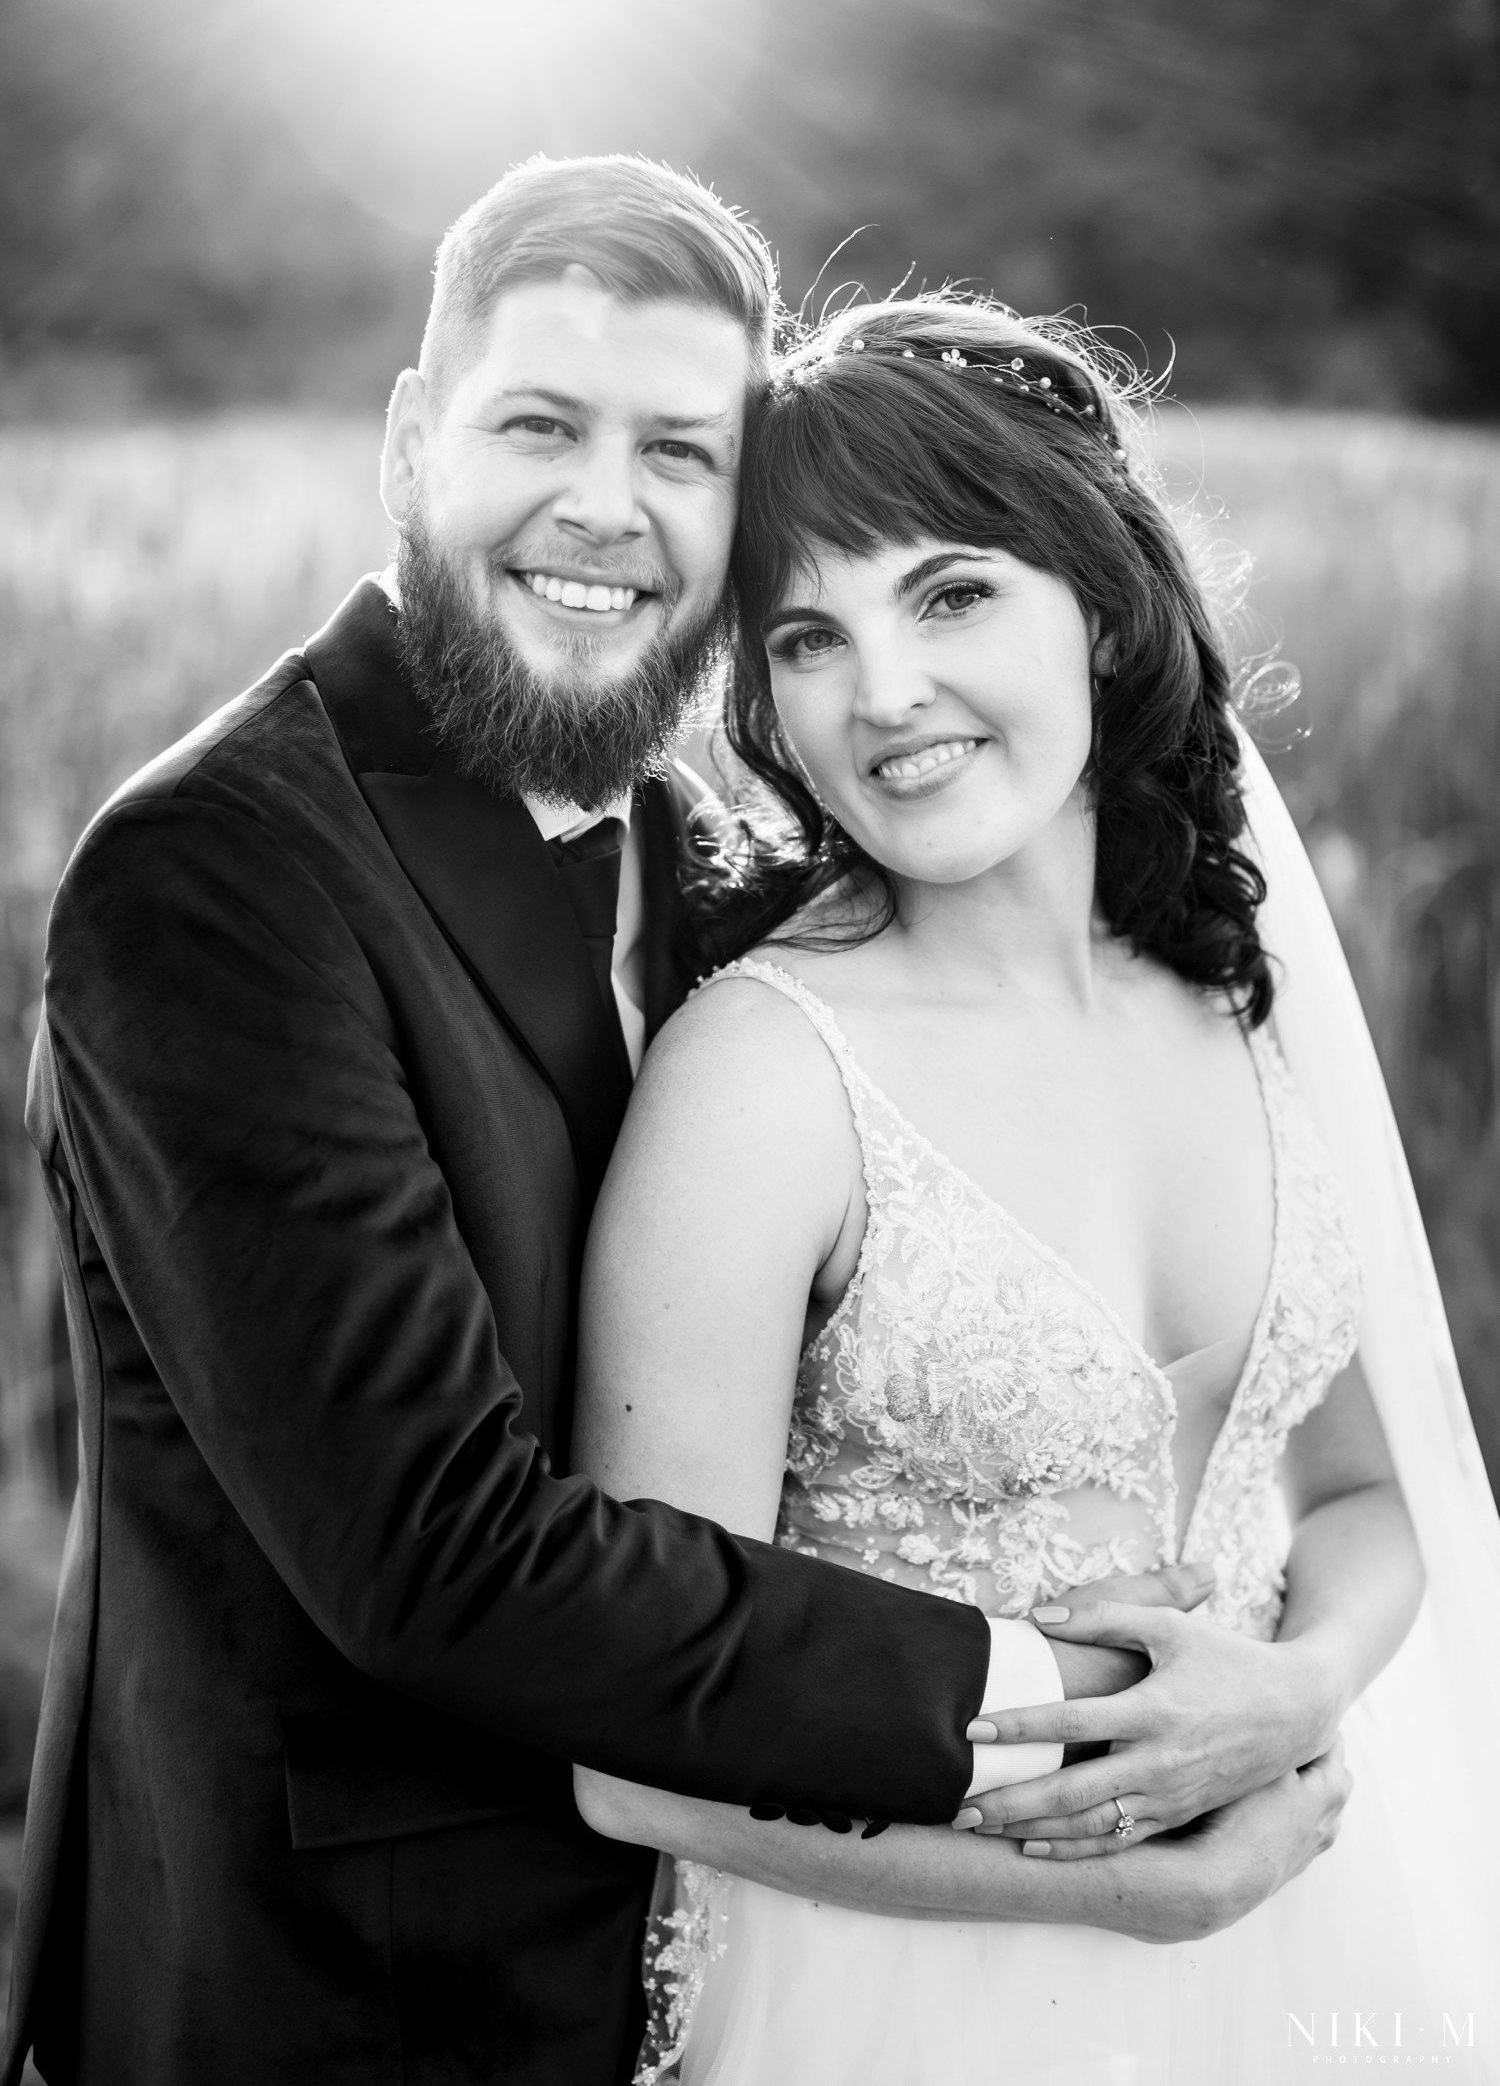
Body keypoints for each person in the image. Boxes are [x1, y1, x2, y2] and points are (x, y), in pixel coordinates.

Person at [3, 163, 1331, 2086]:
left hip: (730, 1963)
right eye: (539, 424)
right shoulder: (215, 875)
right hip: (336, 1999)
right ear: (410, 440)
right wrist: (1082, 1710)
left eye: (679, 453)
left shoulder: (691, 843)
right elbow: (442, 1555)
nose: (603, 509)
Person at [572, 296, 1500, 2082]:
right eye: (806, 635)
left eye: (949, 592)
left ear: (1099, 594)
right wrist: (1114, 1896)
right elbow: (632, 1756)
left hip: (1313, 1913)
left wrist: (1297, 1692)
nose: (885, 692)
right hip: (911, 1987)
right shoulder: (762, 1080)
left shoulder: (1238, 995)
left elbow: (1371, 1486)